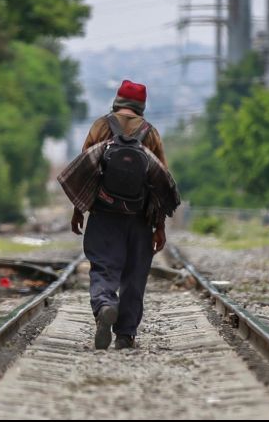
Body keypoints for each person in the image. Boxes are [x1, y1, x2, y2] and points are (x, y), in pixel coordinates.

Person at [65, 79, 179, 350]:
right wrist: (159, 227)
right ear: (141, 106)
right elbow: (161, 182)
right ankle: (126, 334)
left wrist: (78, 210)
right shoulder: (150, 133)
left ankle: (105, 304)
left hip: (103, 214)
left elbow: (84, 171)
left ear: (117, 100)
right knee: (134, 275)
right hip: (139, 220)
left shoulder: (101, 126)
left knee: (103, 266)